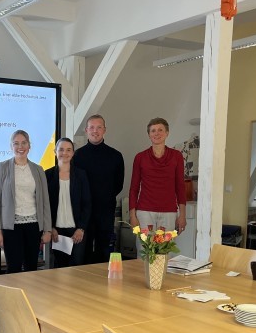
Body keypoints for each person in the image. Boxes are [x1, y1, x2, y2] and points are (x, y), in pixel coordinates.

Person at [0, 130, 52, 273]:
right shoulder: (2, 168)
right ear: (11, 147)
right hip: (11, 227)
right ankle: (12, 296)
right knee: (14, 267)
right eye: (16, 143)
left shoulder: (38, 169)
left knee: (31, 267)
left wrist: (47, 229)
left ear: (29, 146)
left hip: (34, 226)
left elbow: (45, 201)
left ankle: (28, 296)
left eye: (24, 143)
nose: (20, 146)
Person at [73, 114, 124, 264]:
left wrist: (103, 197)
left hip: (105, 211)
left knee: (104, 251)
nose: (95, 131)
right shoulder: (77, 156)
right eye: (92, 127)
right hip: (83, 213)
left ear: (104, 130)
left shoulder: (115, 156)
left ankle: (103, 286)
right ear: (86, 130)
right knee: (84, 251)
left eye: (99, 127)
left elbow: (118, 185)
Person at [128, 117, 187, 239]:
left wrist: (182, 215)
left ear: (167, 133)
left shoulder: (176, 156)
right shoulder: (140, 157)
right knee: (145, 251)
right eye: (153, 131)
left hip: (169, 212)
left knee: (164, 251)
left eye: (160, 130)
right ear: (149, 135)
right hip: (144, 212)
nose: (157, 133)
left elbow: (180, 187)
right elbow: (133, 188)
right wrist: (132, 216)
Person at [44, 138, 91, 267]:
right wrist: (50, 227)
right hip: (56, 231)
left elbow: (87, 204)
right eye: (61, 149)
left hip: (76, 231)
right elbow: (44, 206)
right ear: (55, 151)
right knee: (59, 269)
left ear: (73, 153)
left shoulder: (81, 175)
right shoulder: (47, 175)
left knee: (76, 268)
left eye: (68, 150)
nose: (65, 153)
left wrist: (81, 228)